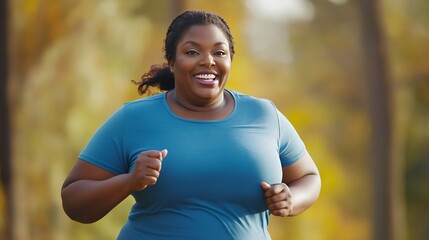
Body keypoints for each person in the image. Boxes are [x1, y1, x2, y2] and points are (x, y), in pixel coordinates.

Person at [61, 10, 321, 240]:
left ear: (230, 60)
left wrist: (291, 199)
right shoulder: (134, 119)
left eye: (219, 52)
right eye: (192, 52)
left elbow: (309, 178)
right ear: (172, 63)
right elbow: (73, 201)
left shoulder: (264, 115)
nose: (208, 60)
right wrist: (128, 182)